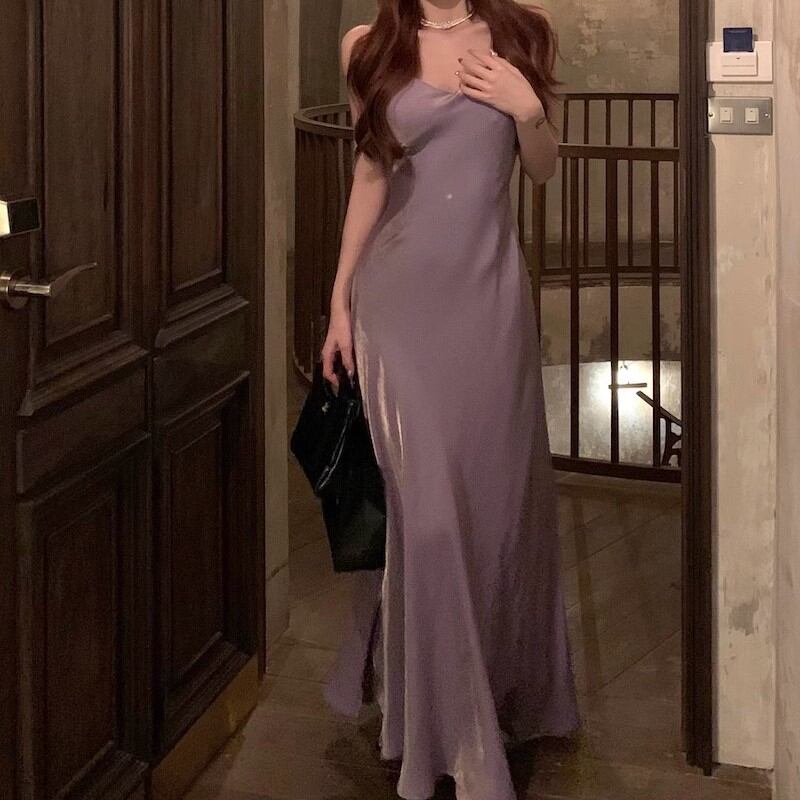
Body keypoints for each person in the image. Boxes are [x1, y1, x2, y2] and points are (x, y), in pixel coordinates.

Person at [319, 1, 581, 797]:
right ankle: (442, 730)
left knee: (491, 510)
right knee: (427, 519)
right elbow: (371, 175)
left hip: (489, 307)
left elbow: (542, 167)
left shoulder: (524, 32)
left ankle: (494, 697)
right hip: (396, 307)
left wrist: (526, 107)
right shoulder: (367, 45)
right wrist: (338, 302)